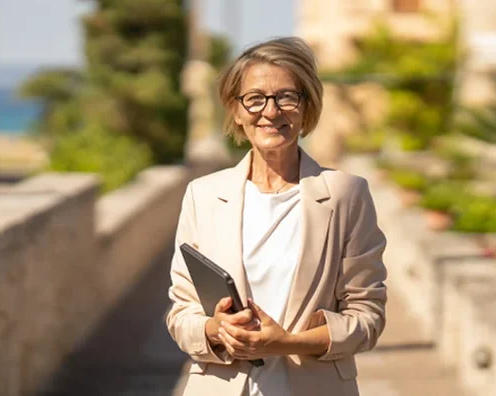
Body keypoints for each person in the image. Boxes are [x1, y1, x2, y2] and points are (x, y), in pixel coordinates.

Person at [165, 36, 388, 396]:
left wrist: (285, 343)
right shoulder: (202, 195)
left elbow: (367, 318)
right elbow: (181, 314)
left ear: (306, 107)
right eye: (254, 99)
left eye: (286, 97)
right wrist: (215, 329)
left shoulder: (347, 194)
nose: (270, 112)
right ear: (236, 110)